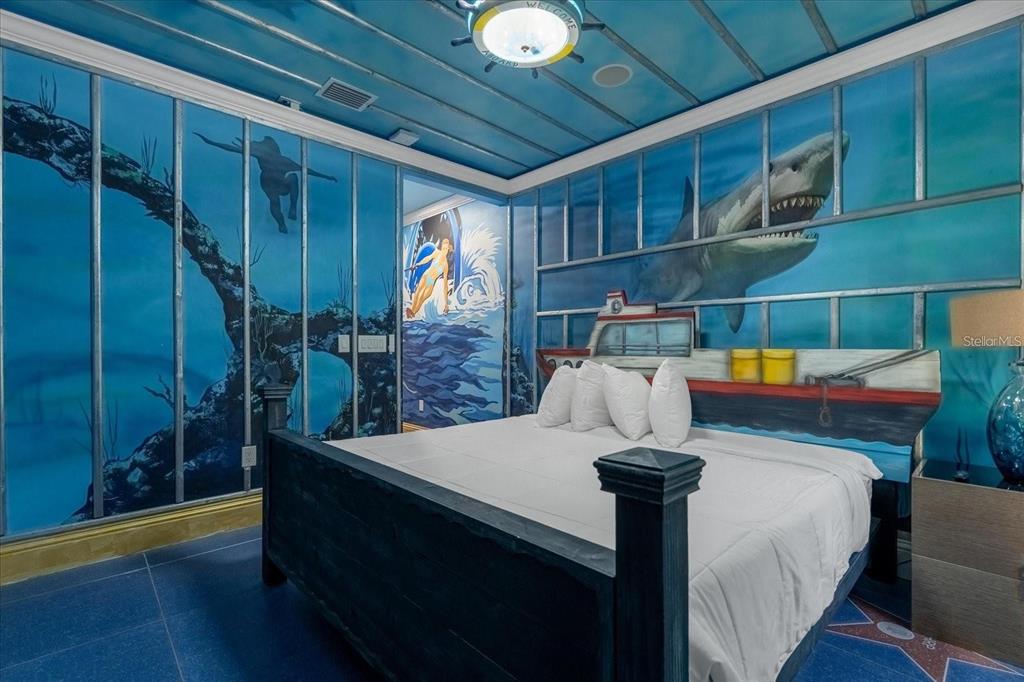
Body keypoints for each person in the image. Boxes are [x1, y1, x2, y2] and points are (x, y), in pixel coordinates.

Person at [405, 239, 452, 318]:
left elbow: (445, 286)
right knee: (419, 291)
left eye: (446, 249)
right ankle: (411, 310)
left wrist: (446, 304)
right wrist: (418, 264)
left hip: (431, 281)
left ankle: (413, 312)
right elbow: (427, 259)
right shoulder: (437, 253)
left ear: (448, 249)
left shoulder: (445, 265)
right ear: (441, 248)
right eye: (443, 248)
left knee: (423, 297)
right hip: (427, 275)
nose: (445, 251)